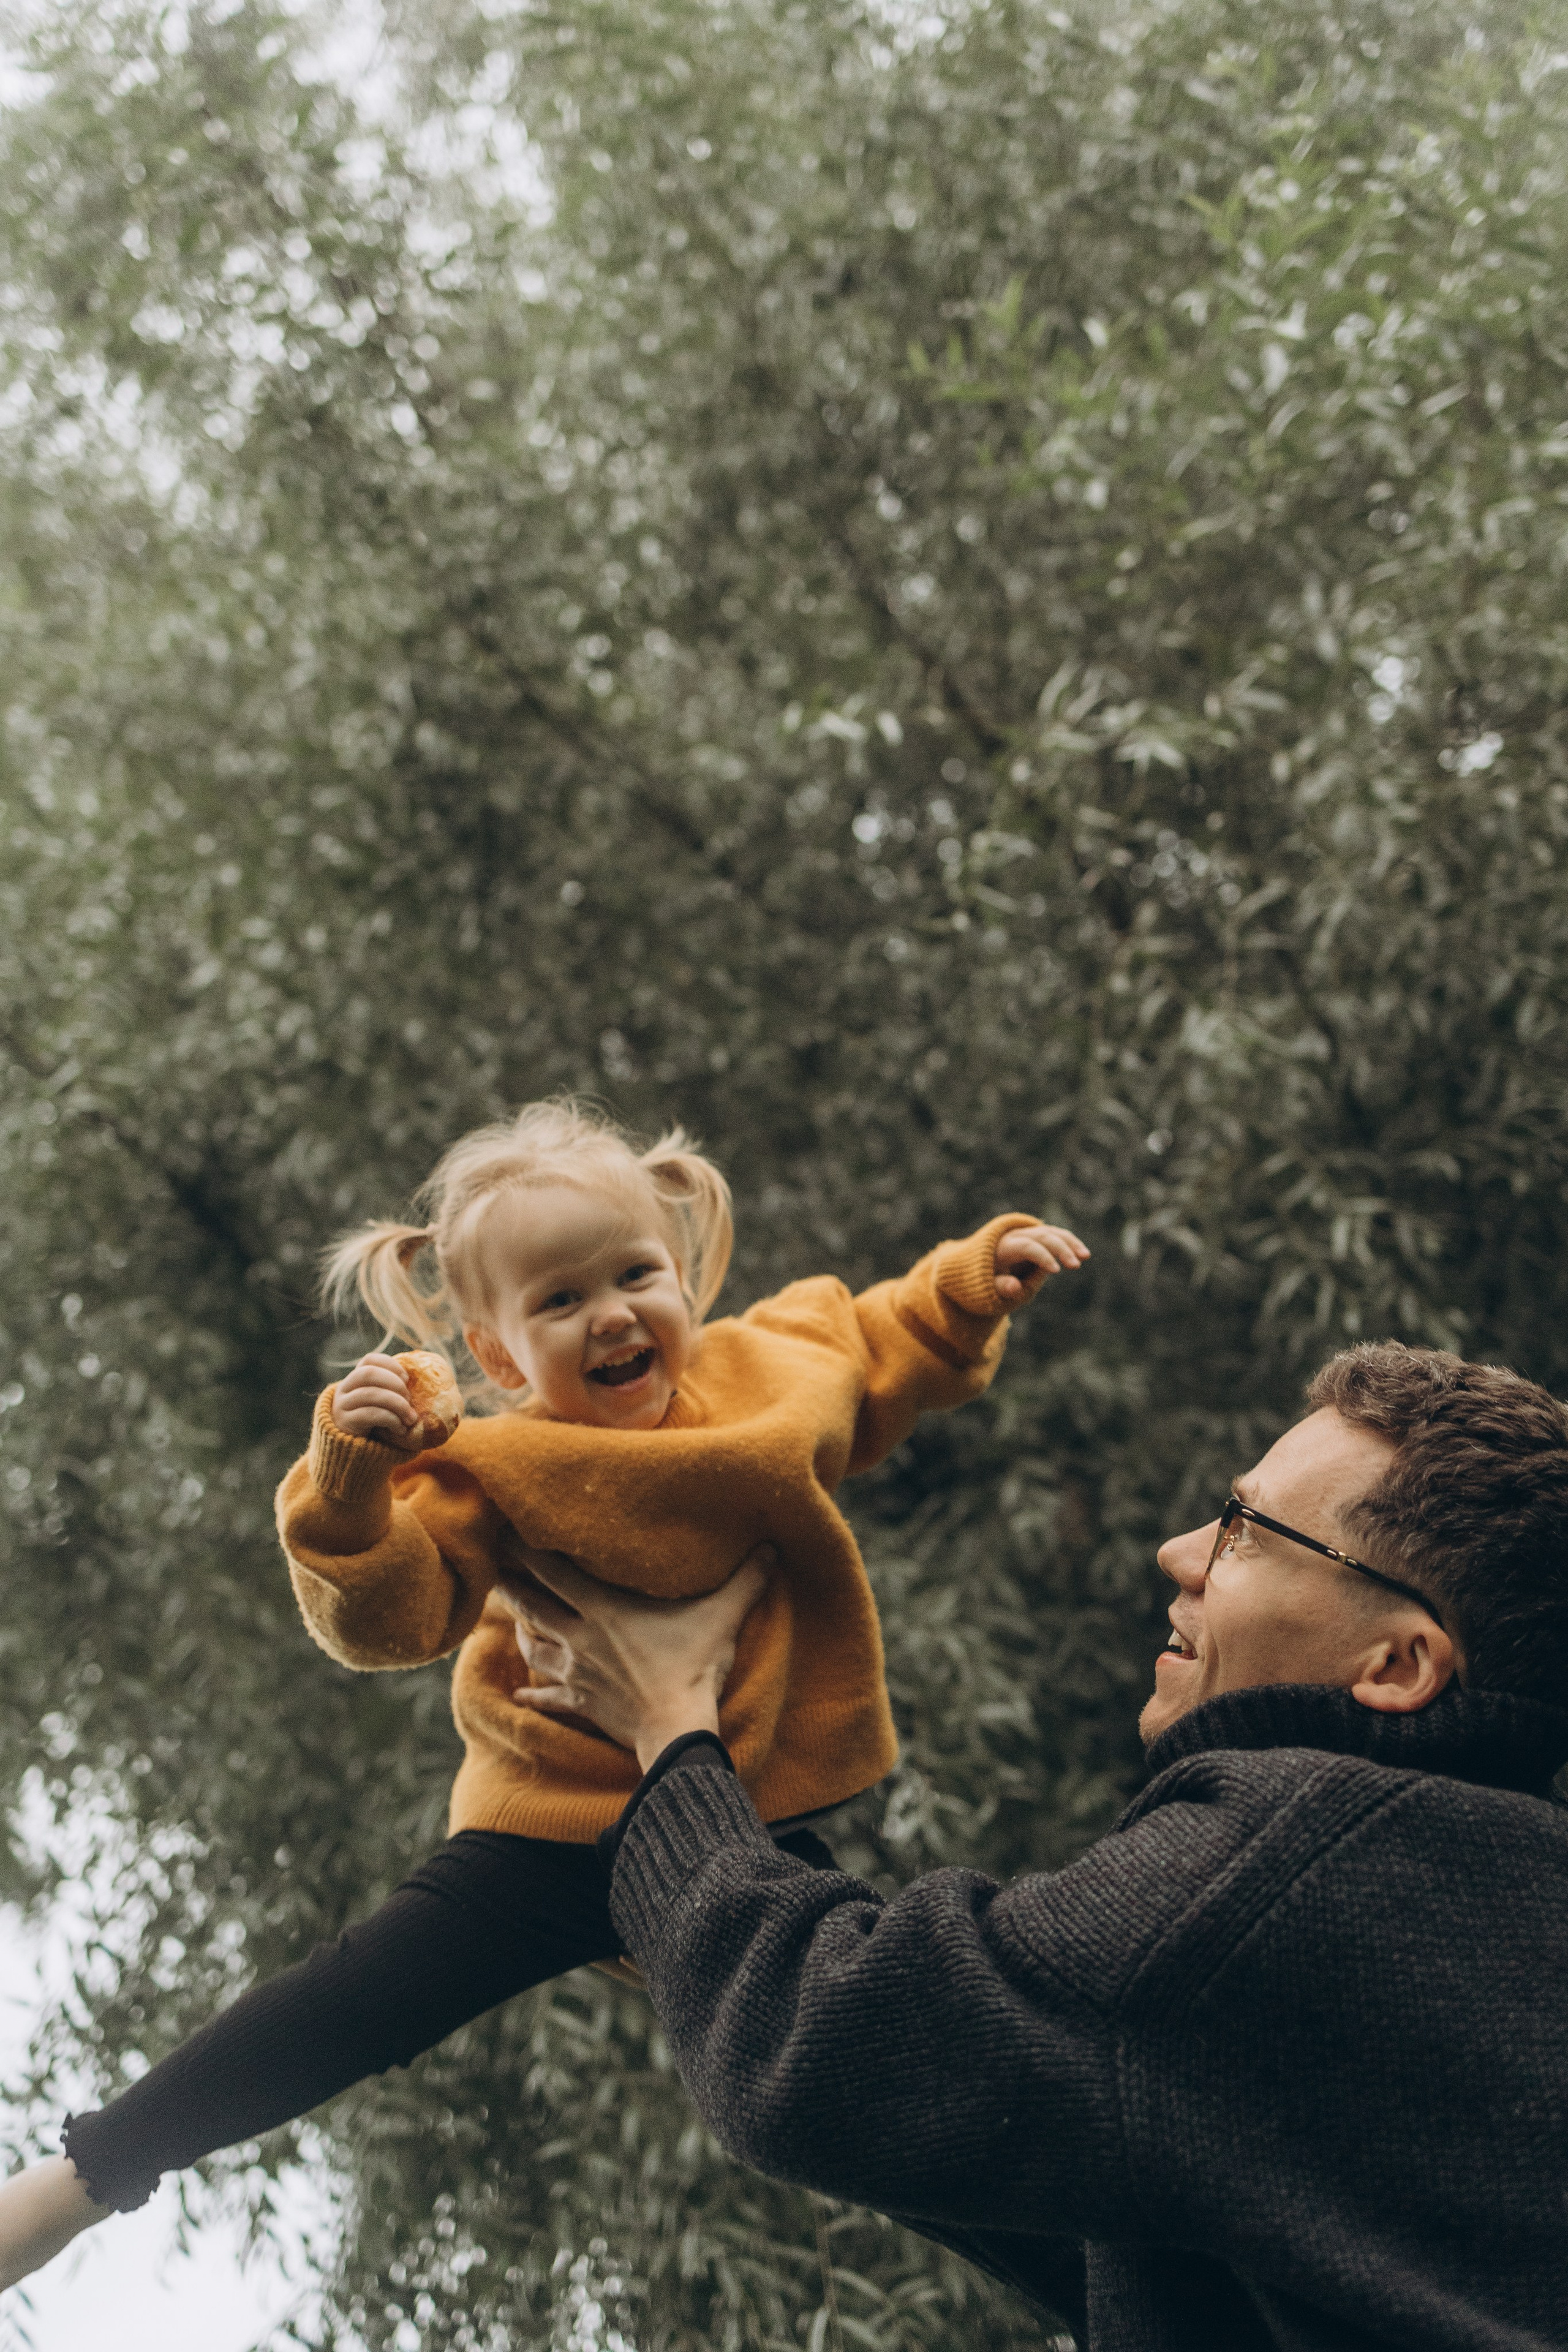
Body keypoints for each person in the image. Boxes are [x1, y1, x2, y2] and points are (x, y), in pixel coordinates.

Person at [0, 1097, 1087, 2290]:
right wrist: (353, 1483)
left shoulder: (766, 1374)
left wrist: (971, 1282)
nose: (611, 1315)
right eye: (560, 1301)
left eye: (633, 1276)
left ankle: (1107, 2277)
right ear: (503, 1352)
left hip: (734, 1819)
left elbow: (881, 1347)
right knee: (357, 1997)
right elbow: (393, 1614)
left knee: (872, 2078)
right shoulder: (487, 1470)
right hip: (554, 1822)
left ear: (681, 1276)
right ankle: (81, 2183)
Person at [497, 1340, 1568, 2351]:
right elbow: (1127, 2196)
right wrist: (717, 1865)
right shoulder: (1501, 1896)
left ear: (1398, 1665)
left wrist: (669, 1727)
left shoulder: (1283, 1862)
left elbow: (821, 2045)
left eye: (1248, 1531)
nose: (1182, 1553)